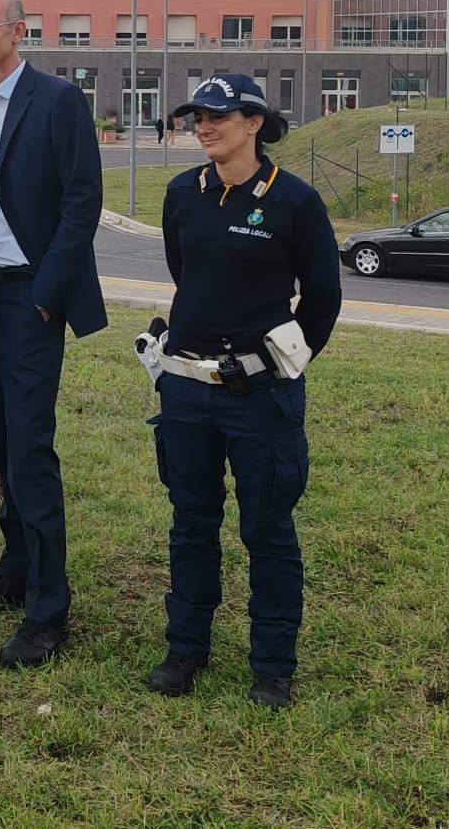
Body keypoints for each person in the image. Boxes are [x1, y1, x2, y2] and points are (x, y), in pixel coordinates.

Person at [144, 72, 341, 709]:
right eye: (197, 117)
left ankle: (272, 666)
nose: (204, 127)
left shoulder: (294, 201)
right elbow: (186, 271)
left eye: (218, 117)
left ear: (254, 123)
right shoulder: (183, 193)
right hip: (187, 390)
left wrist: (281, 362)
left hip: (261, 396)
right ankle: (186, 649)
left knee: (268, 530)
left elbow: (323, 296)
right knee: (191, 524)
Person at [0, 0, 108, 667]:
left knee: (30, 449)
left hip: (27, 299)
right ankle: (16, 568)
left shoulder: (58, 100)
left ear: (18, 32)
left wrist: (48, 292)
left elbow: (83, 199)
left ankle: (48, 609)